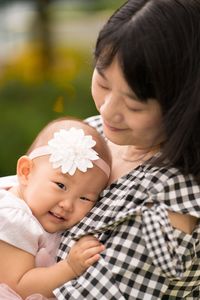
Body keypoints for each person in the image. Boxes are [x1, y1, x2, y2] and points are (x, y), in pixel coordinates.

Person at [54, 1, 200, 299]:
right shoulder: (93, 131)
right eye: (103, 84)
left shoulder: (172, 205)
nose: (108, 111)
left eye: (134, 104)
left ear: (186, 106)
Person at [0, 117, 111, 299]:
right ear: (26, 172)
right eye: (60, 185)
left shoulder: (29, 196)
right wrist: (69, 267)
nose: (67, 205)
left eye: (85, 198)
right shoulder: (14, 218)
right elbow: (20, 285)